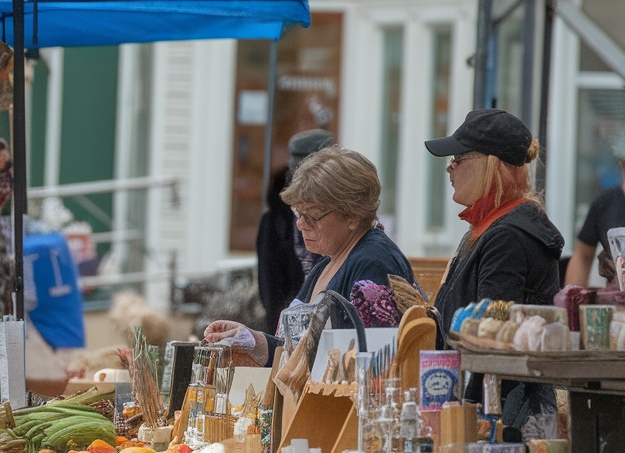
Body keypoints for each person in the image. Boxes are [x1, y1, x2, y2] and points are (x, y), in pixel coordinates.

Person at [204, 146, 417, 366]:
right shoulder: (329, 261)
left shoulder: (373, 264)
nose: (300, 224)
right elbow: (298, 350)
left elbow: (373, 365)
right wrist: (255, 341)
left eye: (313, 215)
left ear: (353, 215)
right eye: (298, 212)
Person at [425, 108, 561, 435]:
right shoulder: (489, 227)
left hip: (500, 416)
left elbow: (495, 319)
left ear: (490, 164)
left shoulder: (507, 236)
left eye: (459, 158)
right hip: (489, 403)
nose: (450, 167)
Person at [255, 130, 335, 333]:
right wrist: (282, 335)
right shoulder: (274, 222)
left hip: (327, 324)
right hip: (291, 326)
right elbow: (270, 289)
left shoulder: (337, 217)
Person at [565, 135, 625, 287]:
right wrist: (572, 300)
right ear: (621, 163)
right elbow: (582, 256)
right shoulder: (605, 204)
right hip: (617, 304)